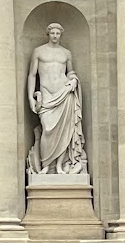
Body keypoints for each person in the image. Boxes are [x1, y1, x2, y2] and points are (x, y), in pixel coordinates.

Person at [26, 23, 87, 175]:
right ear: (48, 34)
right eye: (52, 33)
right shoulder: (38, 51)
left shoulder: (66, 53)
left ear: (61, 34)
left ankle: (59, 166)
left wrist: (73, 80)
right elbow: (32, 75)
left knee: (64, 133)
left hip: (64, 93)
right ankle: (46, 164)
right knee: (47, 129)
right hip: (46, 94)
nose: (55, 35)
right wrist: (30, 97)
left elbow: (70, 72)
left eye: (57, 33)